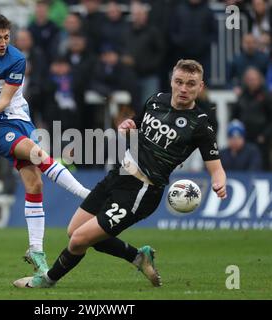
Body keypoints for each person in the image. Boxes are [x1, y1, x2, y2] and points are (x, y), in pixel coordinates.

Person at [14, 59, 227, 289]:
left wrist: (219, 183)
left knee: (79, 240)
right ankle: (138, 257)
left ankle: (47, 279)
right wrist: (127, 125)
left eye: (191, 84)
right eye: (179, 82)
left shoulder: (200, 125)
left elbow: (216, 167)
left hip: (142, 191)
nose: (184, 88)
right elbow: (136, 123)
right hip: (119, 175)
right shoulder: (156, 101)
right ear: (172, 81)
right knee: (74, 231)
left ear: (200, 87)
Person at [0, 13, 90, 275]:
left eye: (7, 37)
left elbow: (6, 100)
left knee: (34, 184)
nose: (3, 42)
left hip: (19, 120)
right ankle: (88, 196)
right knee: (38, 154)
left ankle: (35, 249)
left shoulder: (16, 59)